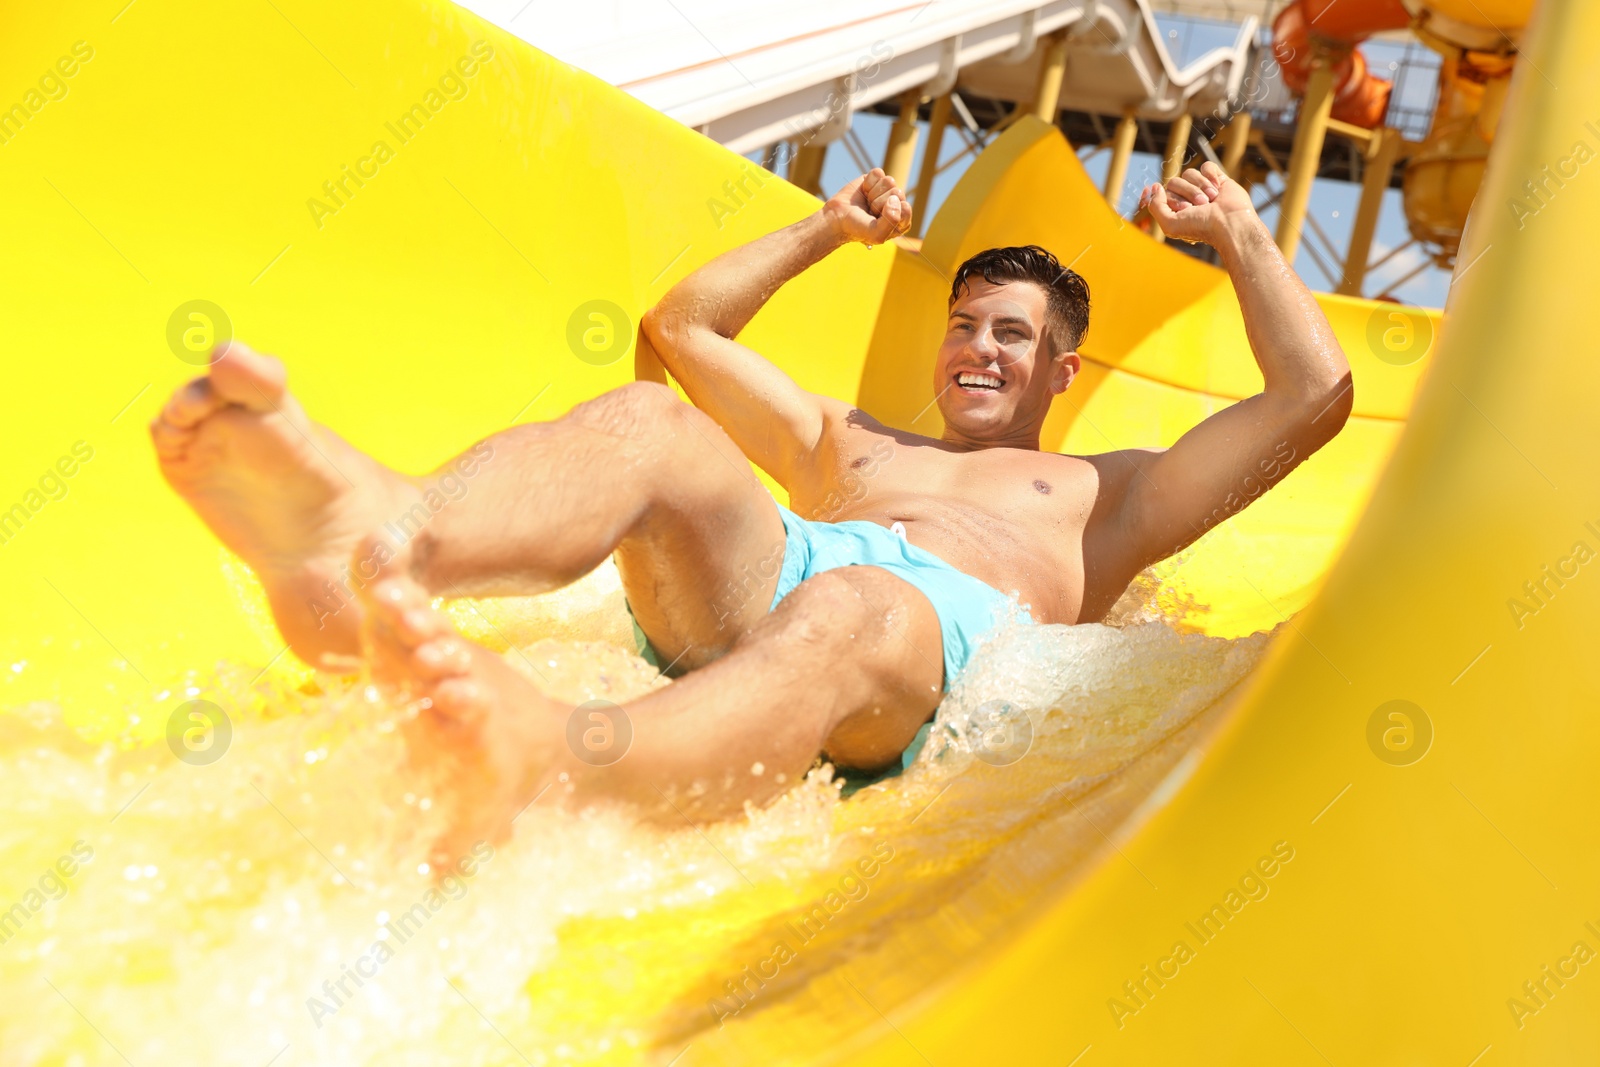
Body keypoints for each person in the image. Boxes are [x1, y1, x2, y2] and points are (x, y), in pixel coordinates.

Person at [151, 161, 1350, 864]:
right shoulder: (851, 440)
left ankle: (560, 766)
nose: (978, 350)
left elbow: (1311, 397)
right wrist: (829, 227)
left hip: (914, 636)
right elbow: (683, 330)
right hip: (781, 569)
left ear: (1061, 371)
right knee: (652, 422)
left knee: (854, 602)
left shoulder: (1111, 495)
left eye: (1012, 336)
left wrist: (1243, 233)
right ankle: (378, 536)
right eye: (964, 325)